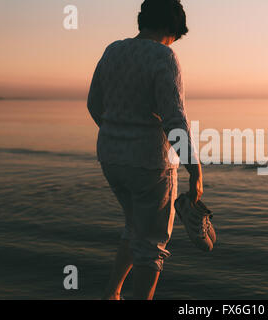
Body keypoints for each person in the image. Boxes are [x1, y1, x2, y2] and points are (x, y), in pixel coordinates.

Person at [87, 0, 203, 300]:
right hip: (150, 164)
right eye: (175, 36)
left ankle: (112, 293)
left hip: (111, 158)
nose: (174, 42)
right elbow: (174, 119)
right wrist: (195, 168)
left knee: (134, 226)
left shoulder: (113, 50)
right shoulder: (163, 56)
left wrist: (119, 132)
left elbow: (93, 104)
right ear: (170, 28)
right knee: (152, 245)